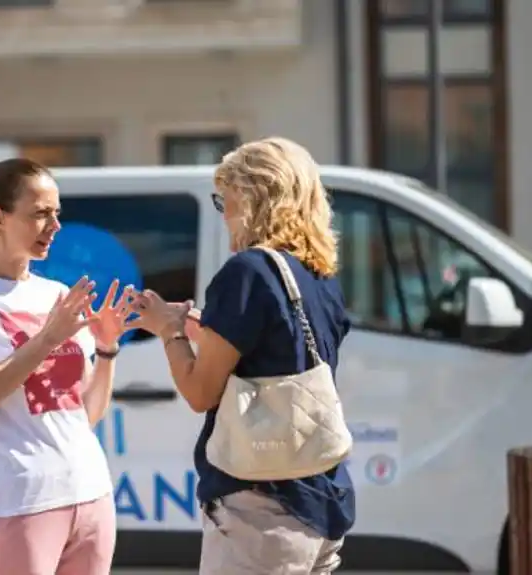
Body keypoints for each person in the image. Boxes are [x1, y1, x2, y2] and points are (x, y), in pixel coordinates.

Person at [128, 137, 355, 574]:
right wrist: (206, 325)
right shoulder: (317, 274)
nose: (225, 215)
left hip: (261, 510)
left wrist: (169, 330)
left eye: (225, 200)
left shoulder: (248, 271)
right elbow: (282, 353)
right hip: (322, 500)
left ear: (253, 198)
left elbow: (199, 392)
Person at [0, 158, 133, 575]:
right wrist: (46, 340)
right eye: (40, 213)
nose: (54, 225)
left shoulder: (57, 294)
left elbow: (85, 415)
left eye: (57, 213)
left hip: (90, 492)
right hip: (20, 498)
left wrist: (107, 349)